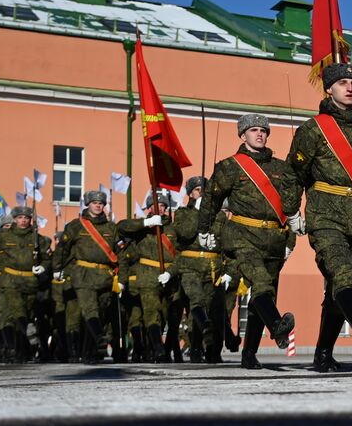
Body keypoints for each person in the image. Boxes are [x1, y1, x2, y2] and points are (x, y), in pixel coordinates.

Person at [288, 63, 352, 371]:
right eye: (343, 82)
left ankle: (323, 353)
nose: (350, 88)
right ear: (329, 88)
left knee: (340, 286)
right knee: (342, 274)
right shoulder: (313, 129)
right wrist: (292, 210)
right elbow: (293, 174)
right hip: (325, 216)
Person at [200, 114, 302, 369]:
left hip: (274, 239)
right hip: (242, 237)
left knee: (262, 296)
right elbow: (211, 200)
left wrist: (290, 240)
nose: (259, 134)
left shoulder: (281, 168)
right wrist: (205, 229)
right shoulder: (230, 166)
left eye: (263, 130)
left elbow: (289, 207)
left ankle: (249, 354)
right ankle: (278, 326)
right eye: (254, 130)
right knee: (262, 284)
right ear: (242, 135)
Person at [51, 189, 120, 363]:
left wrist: (122, 278)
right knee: (90, 309)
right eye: (94, 203)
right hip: (83, 274)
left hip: (105, 275)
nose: (98, 206)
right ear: (87, 204)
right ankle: (99, 337)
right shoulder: (76, 225)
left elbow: (119, 252)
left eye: (101, 203)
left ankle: (89, 353)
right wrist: (57, 268)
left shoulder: (111, 227)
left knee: (100, 312)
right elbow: (63, 249)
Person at [0, 206, 51, 364]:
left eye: (26, 218)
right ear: (14, 219)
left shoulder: (38, 238)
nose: (23, 221)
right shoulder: (3, 236)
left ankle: (20, 351)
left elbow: (47, 258)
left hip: (30, 282)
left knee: (24, 314)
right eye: (20, 218)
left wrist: (43, 266)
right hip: (10, 281)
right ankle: (24, 334)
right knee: (17, 310)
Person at [118, 192, 181, 363]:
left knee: (167, 315)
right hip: (146, 276)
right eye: (154, 205)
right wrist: (146, 223)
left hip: (169, 277)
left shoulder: (174, 229)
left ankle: (159, 348)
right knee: (151, 312)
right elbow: (122, 227)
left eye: (162, 206)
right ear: (149, 208)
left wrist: (171, 272)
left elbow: (181, 255)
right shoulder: (141, 229)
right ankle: (158, 349)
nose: (158, 208)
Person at [171, 176, 225, 363]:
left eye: (204, 189)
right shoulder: (182, 213)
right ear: (190, 194)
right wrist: (199, 211)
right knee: (196, 301)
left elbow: (223, 236)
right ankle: (196, 346)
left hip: (212, 266)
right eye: (197, 189)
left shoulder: (218, 214)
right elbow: (185, 232)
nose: (201, 192)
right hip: (190, 265)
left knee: (208, 309)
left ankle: (201, 348)